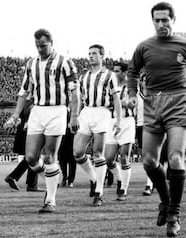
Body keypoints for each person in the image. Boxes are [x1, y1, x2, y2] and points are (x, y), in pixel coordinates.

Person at [127, 2, 186, 236]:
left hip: (179, 102)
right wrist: (132, 96)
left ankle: (174, 214)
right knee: (149, 161)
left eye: (165, 20)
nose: (161, 24)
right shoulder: (144, 47)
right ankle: (165, 200)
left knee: (175, 157)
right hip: (153, 103)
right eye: (157, 20)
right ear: (152, 21)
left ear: (174, 20)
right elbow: (132, 73)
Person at [4, 28, 77, 213]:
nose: (40, 49)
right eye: (37, 46)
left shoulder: (64, 62)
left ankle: (50, 200)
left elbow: (74, 91)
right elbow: (24, 91)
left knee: (50, 156)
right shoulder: (31, 63)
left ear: (51, 43)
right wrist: (15, 115)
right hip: (37, 111)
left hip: (57, 110)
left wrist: (74, 115)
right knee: (30, 158)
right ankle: (53, 175)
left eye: (43, 45)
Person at [70, 44, 122, 207]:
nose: (91, 56)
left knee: (98, 153)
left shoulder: (110, 75)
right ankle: (94, 178)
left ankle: (99, 192)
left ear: (102, 56)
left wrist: (118, 120)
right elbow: (78, 98)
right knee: (77, 152)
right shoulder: (83, 77)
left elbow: (116, 100)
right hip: (86, 112)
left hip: (102, 112)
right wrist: (76, 116)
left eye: (94, 54)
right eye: (89, 53)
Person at [104, 61, 135, 201]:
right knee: (108, 159)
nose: (115, 73)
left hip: (127, 122)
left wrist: (118, 102)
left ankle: (123, 189)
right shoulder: (109, 85)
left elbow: (133, 103)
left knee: (124, 156)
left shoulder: (131, 86)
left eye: (117, 71)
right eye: (114, 70)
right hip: (111, 122)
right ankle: (119, 178)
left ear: (124, 72)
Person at [4, 97, 44, 192]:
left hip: (23, 132)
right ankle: (18, 178)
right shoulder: (34, 104)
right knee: (33, 157)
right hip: (30, 132)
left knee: (31, 158)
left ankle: (30, 184)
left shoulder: (25, 103)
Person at [59, 110, 77, 188]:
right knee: (62, 161)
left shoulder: (73, 113)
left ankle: (70, 180)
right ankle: (64, 177)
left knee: (72, 161)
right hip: (62, 138)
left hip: (71, 139)